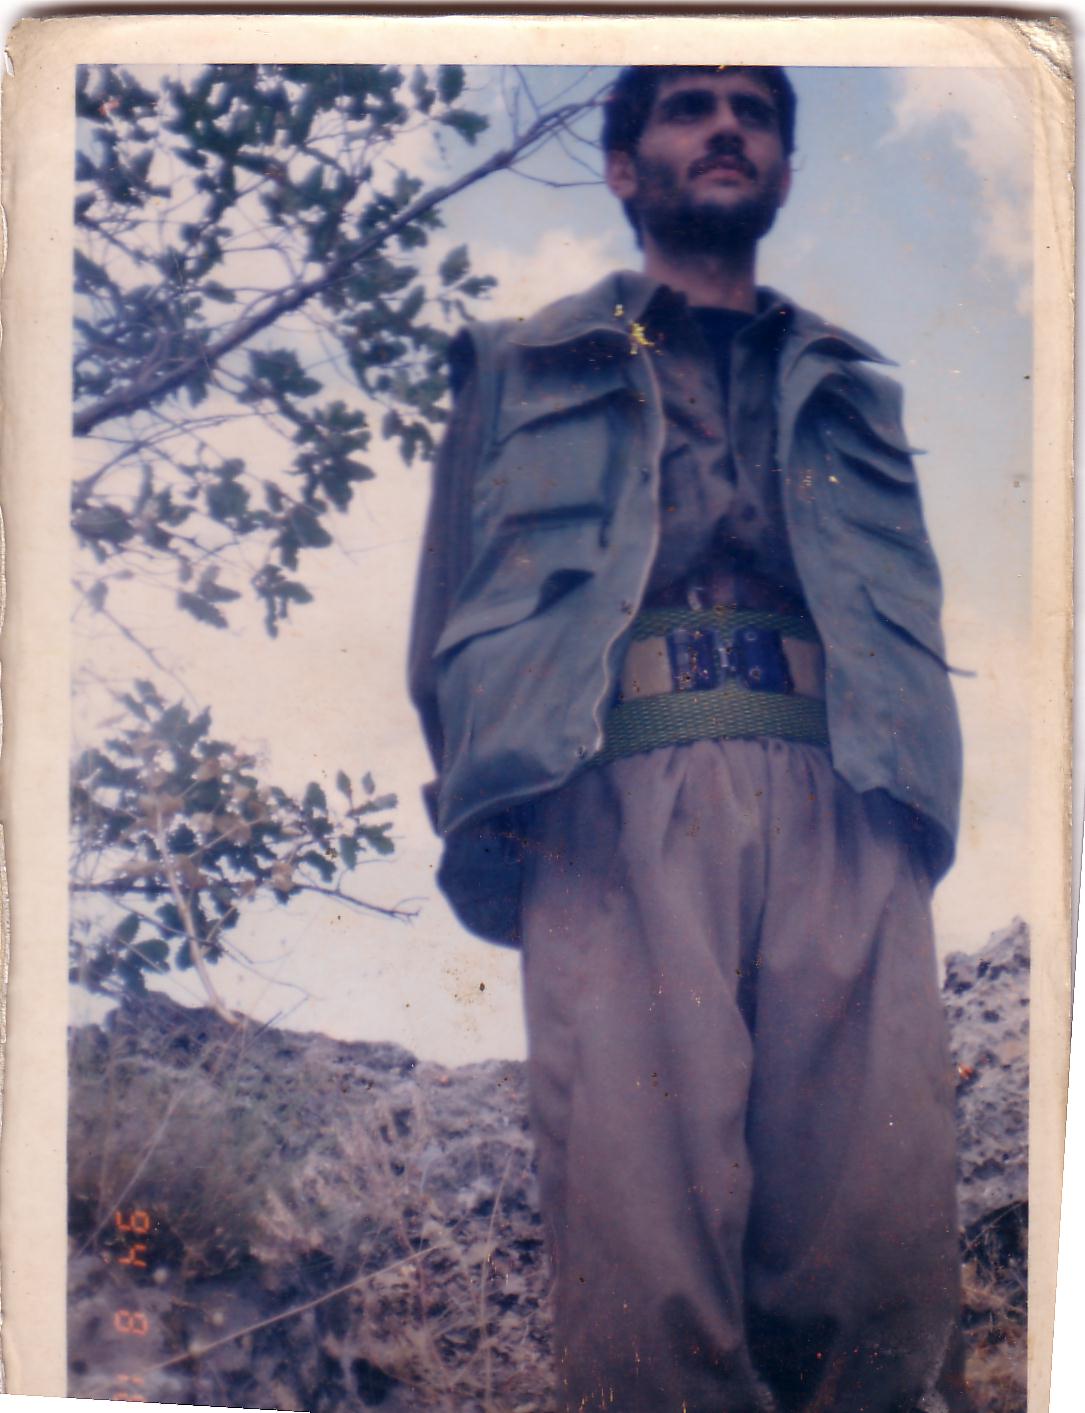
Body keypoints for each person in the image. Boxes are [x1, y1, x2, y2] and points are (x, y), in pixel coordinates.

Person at [409, 65, 971, 1413]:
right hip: (612, 797)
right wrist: (524, 807)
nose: (727, 126)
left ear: (783, 169)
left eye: (753, 112)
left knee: (875, 1241)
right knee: (642, 1247)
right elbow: (444, 629)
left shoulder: (851, 390)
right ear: (623, 168)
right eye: (688, 106)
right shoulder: (517, 365)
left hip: (842, 794)